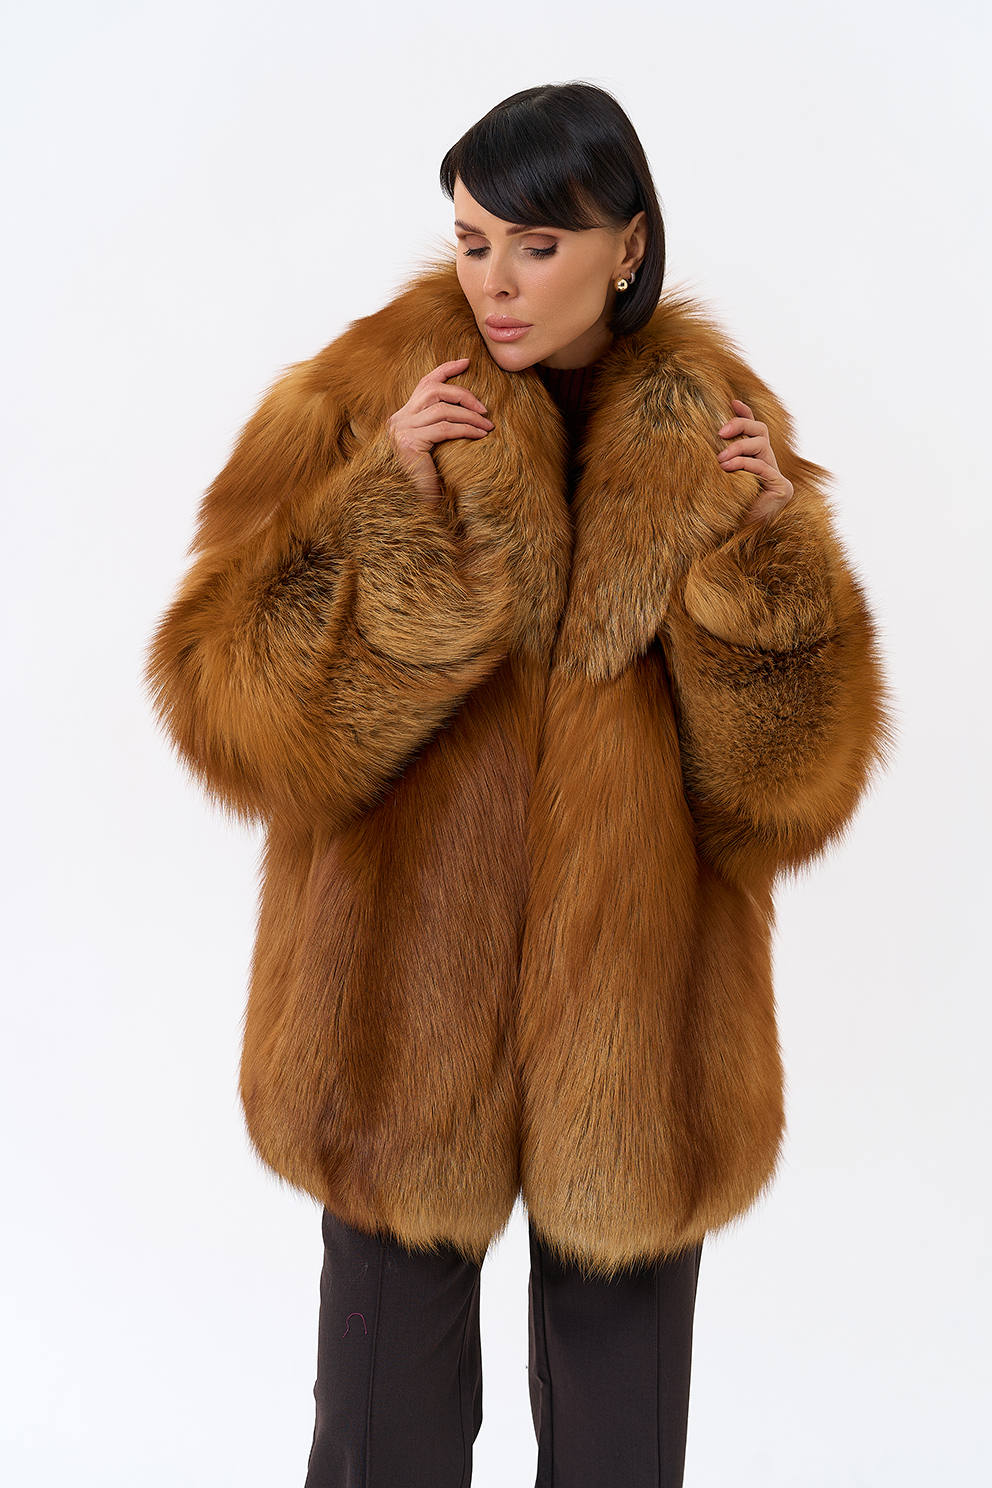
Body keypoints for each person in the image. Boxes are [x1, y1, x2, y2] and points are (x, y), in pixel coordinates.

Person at [148, 82, 886, 1488]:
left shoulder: (725, 435)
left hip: (639, 1031)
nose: (493, 280)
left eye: (538, 246)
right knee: (384, 1440)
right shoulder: (369, 399)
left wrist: (768, 570)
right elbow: (221, 709)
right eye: (473, 238)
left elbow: (785, 799)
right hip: (392, 1024)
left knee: (623, 1453)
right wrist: (393, 520)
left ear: (629, 246)